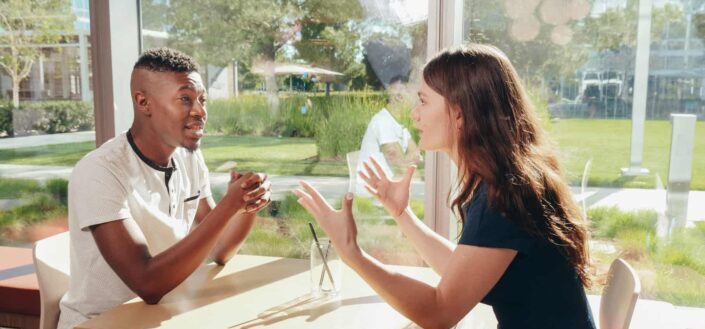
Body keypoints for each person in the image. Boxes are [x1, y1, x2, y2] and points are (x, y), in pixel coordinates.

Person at [294, 44, 596, 329]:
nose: (414, 114)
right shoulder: (507, 181)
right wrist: (401, 214)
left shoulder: (504, 196)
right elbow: (463, 270)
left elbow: (439, 312)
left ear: (460, 113)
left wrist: (352, 253)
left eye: (423, 101)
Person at [58, 48, 272, 329]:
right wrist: (228, 206)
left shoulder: (189, 157)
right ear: (143, 102)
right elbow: (147, 283)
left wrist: (247, 202)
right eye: (185, 99)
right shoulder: (100, 171)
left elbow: (219, 249)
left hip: (163, 315)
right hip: (101, 323)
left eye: (202, 100)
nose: (200, 111)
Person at [356, 76, 421, 196]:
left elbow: (416, 155)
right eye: (409, 95)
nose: (415, 101)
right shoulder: (383, 122)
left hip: (387, 189)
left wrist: (406, 161)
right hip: (372, 194)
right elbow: (400, 164)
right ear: (398, 97)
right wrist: (407, 161)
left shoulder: (400, 125)